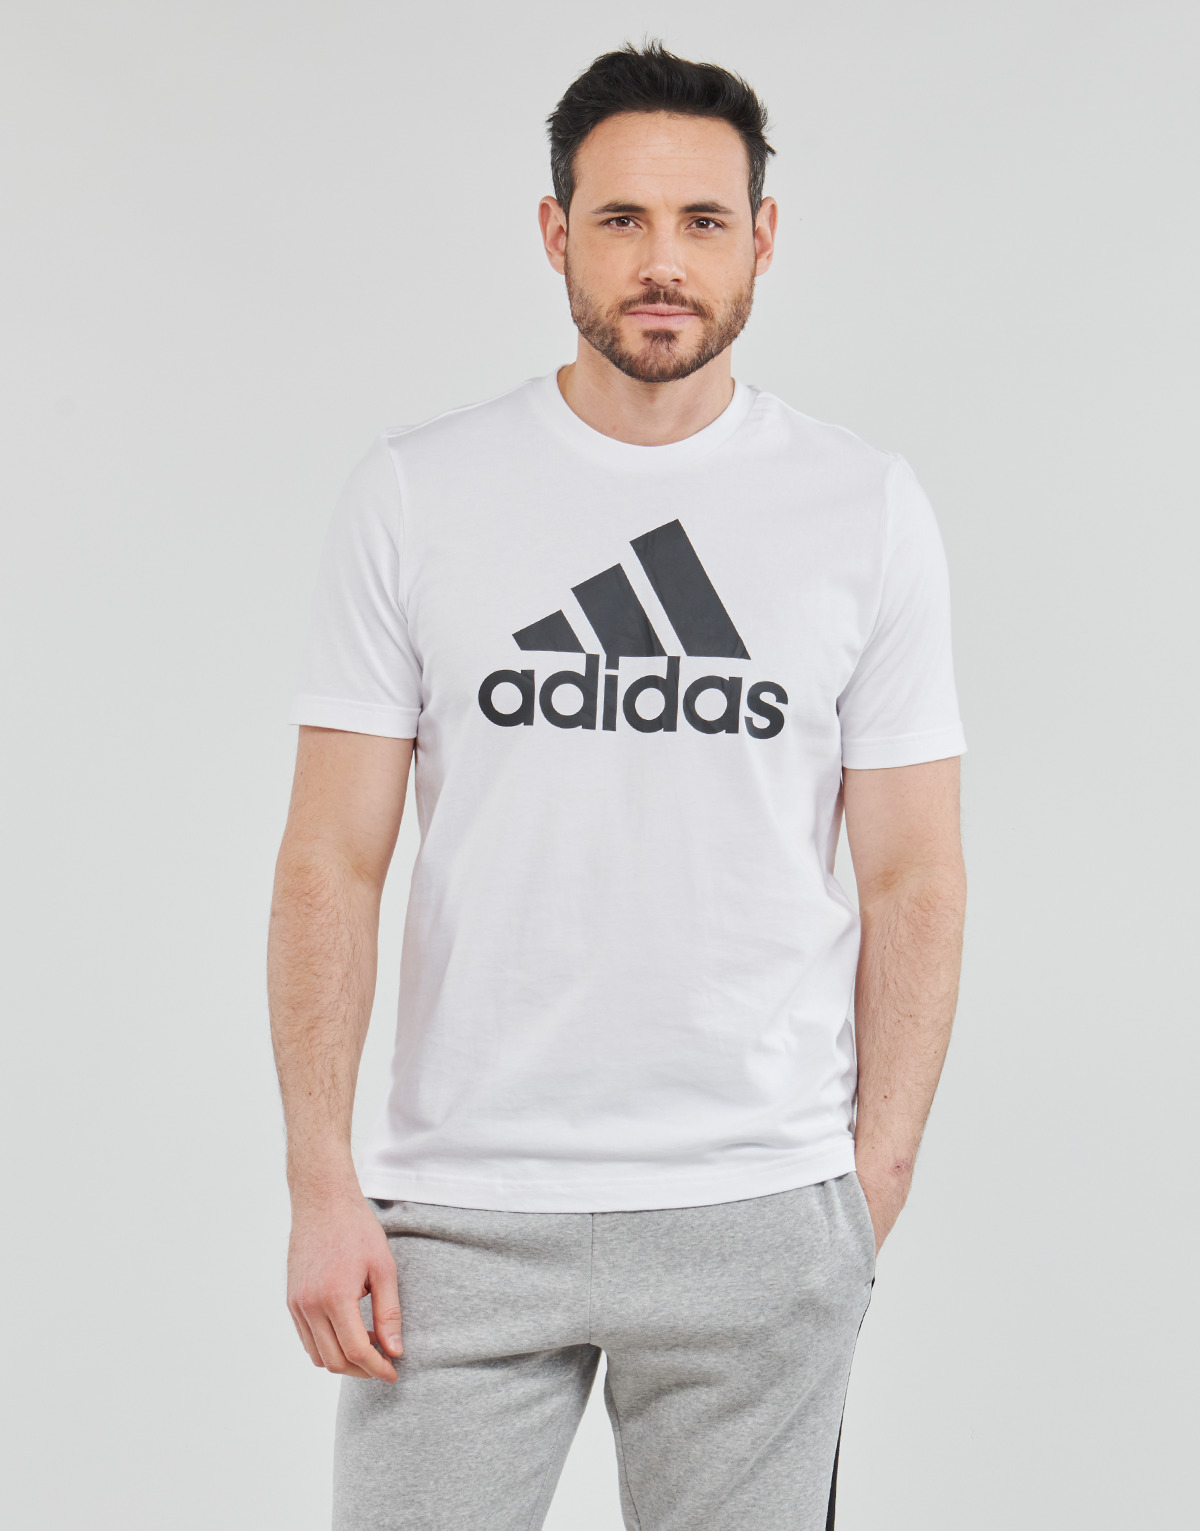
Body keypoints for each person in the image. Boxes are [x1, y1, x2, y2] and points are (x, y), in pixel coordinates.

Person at [268, 40, 968, 1531]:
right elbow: (331, 858)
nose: (664, 263)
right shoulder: (419, 494)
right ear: (555, 232)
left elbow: (915, 871)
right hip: (461, 1216)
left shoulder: (862, 509)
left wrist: (871, 1184)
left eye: (703, 221)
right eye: (622, 220)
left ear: (762, 238)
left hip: (757, 1210)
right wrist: (322, 1183)